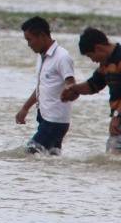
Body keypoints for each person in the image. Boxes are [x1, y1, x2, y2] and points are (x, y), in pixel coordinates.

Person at [61, 27, 121, 153]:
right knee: (116, 157)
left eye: (91, 56)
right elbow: (93, 85)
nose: (93, 60)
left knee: (115, 153)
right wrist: (73, 89)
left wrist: (117, 115)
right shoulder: (107, 62)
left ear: (99, 48)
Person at [14, 16, 76, 155]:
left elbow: (71, 83)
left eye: (29, 39)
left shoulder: (62, 57)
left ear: (42, 36)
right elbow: (42, 87)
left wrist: (69, 91)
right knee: (50, 161)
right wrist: (25, 108)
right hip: (45, 119)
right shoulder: (42, 56)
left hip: (55, 121)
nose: (28, 44)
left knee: (29, 155)